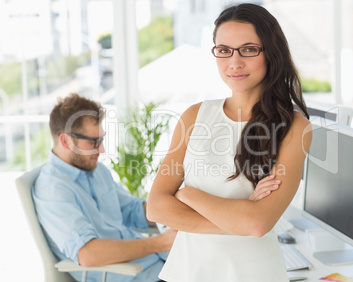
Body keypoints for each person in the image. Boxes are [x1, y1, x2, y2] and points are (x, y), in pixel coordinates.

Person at [147, 3, 312, 282]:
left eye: (248, 49)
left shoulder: (294, 128)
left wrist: (188, 195)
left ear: (271, 53)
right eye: (224, 50)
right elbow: (156, 207)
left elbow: (258, 223)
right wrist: (237, 219)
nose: (234, 62)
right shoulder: (194, 116)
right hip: (183, 273)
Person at [33, 93, 177, 282]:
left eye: (101, 139)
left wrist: (171, 211)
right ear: (65, 141)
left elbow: (131, 210)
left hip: (162, 267)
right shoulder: (52, 190)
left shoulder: (96, 170)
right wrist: (160, 243)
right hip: (138, 276)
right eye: (93, 142)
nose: (101, 150)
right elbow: (89, 254)